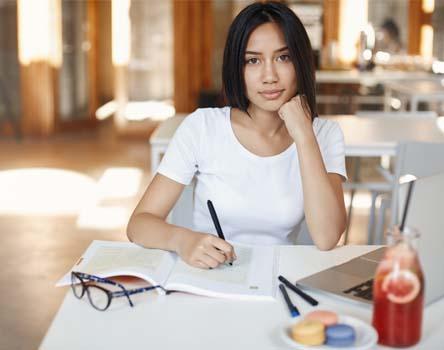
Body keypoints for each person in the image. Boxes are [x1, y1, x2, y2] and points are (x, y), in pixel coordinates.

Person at [127, 1, 347, 269]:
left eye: (283, 57)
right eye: (253, 60)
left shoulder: (325, 134)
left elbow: (327, 238)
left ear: (301, 62)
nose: (270, 76)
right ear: (236, 68)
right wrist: (183, 240)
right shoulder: (202, 127)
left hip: (279, 281)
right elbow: (139, 223)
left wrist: (304, 136)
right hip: (212, 275)